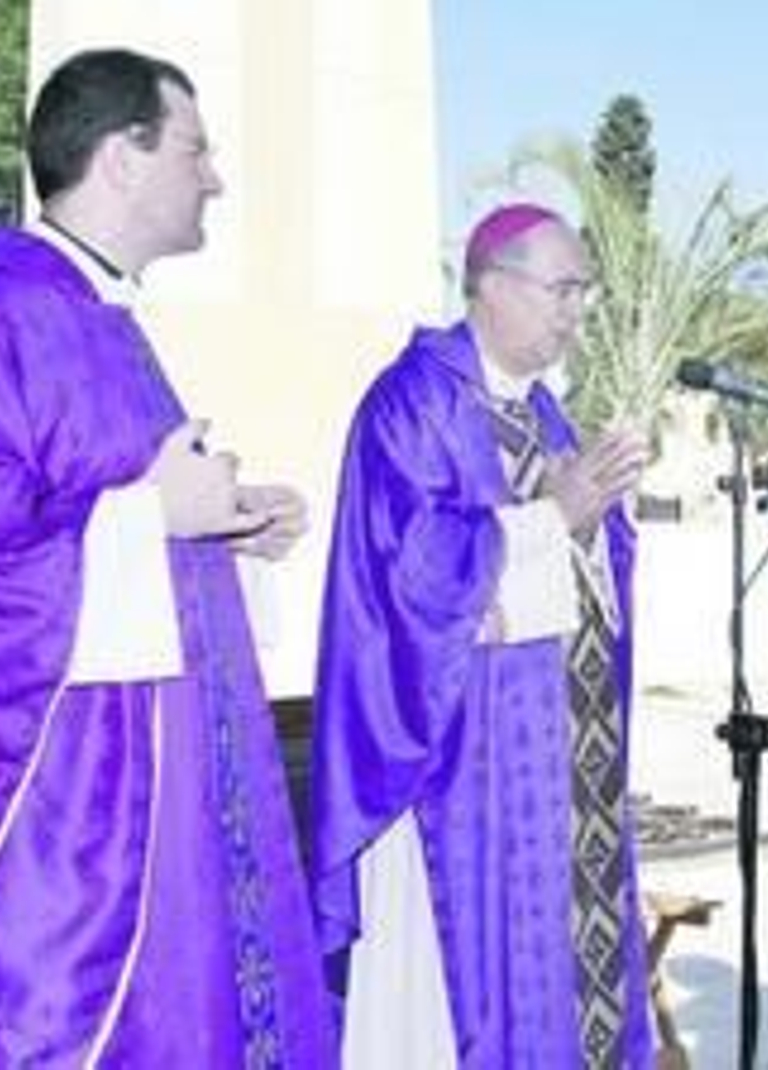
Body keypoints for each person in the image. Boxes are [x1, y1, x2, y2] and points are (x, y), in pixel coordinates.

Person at [0, 49, 333, 1067]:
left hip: (157, 815)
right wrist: (148, 518)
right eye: (194, 147)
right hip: (62, 847)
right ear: (121, 159)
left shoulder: (96, 322)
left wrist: (219, 523)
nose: (214, 175)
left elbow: (105, 515)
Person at [310, 203, 655, 1068]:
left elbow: (583, 551)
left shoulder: (547, 413)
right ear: (491, 284)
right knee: (454, 1004)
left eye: (585, 290)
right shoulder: (412, 403)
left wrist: (601, 520)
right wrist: (555, 515)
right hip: (458, 771)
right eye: (562, 289)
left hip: (559, 762)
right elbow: (416, 577)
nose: (577, 310)